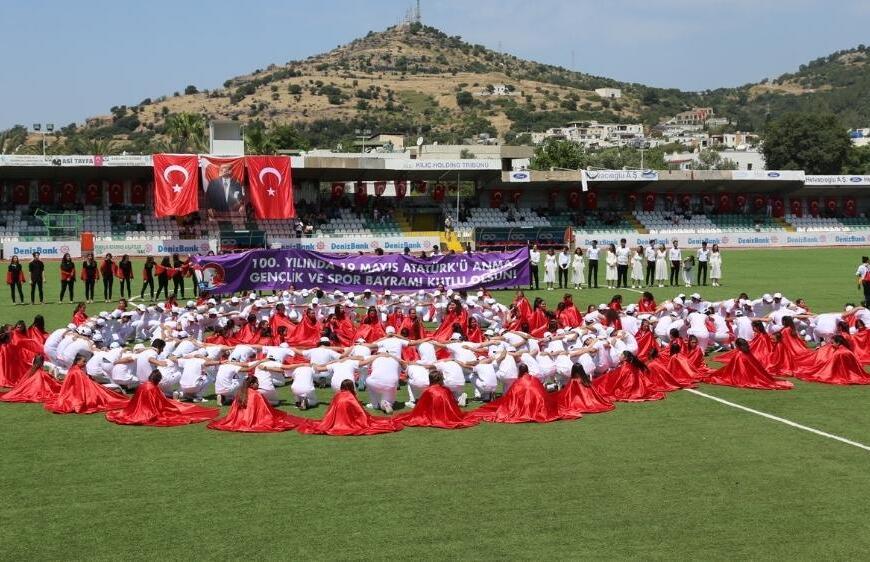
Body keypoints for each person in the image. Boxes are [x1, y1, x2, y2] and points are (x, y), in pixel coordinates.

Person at [107, 369, 219, 426]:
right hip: (147, 412)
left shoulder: (143, 385)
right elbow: (159, 403)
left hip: (136, 410)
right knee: (176, 410)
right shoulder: (152, 388)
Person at [298, 379, 402, 436]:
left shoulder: (337, 395)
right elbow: (359, 412)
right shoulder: (351, 397)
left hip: (336, 420)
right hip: (348, 421)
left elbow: (331, 410)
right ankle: (386, 403)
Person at [208, 375, 307, 433]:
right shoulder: (256, 394)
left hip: (238, 420)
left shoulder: (240, 393)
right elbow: (266, 411)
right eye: (257, 383)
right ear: (252, 384)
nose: (258, 385)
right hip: (251, 421)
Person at [44, 353, 130, 414]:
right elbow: (83, 387)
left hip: (76, 394)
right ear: (77, 362)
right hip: (87, 393)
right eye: (83, 361)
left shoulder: (74, 369)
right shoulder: (77, 372)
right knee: (115, 390)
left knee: (113, 390)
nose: (85, 363)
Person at [394, 371, 478, 429]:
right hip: (447, 413)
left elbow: (421, 407)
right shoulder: (446, 389)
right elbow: (452, 404)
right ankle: (460, 398)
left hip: (434, 414)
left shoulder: (428, 390)